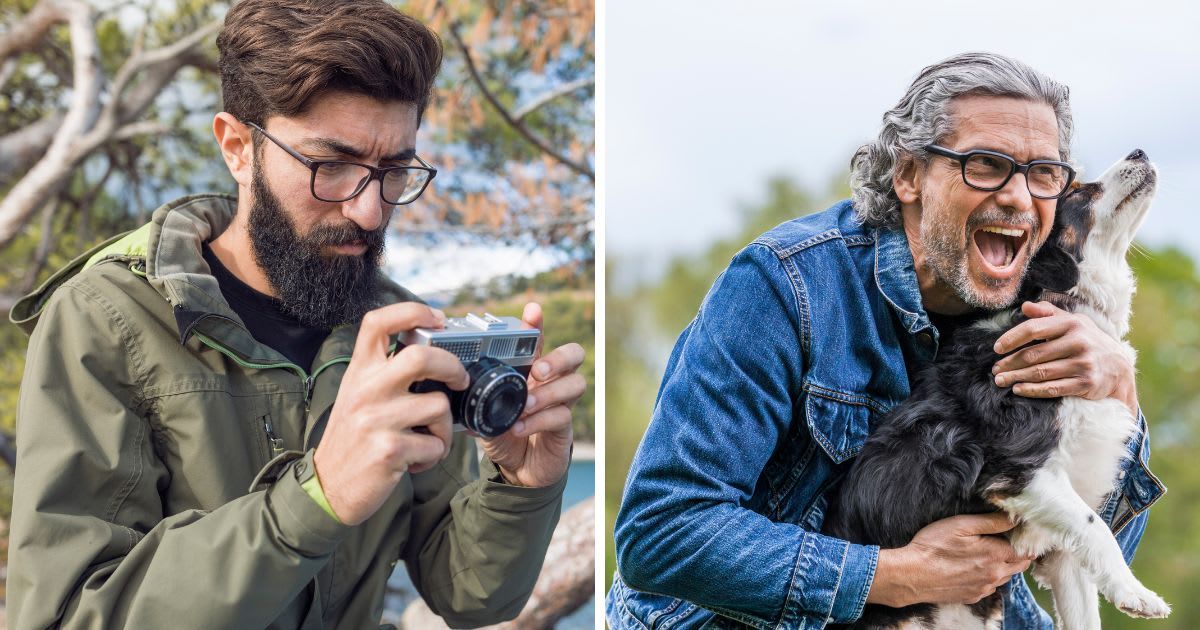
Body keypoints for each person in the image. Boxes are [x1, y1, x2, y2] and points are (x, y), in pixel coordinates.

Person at [6, 1, 586, 627]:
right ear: (237, 147)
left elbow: (468, 593)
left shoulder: (394, 326)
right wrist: (317, 499)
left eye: (393, 171)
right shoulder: (103, 321)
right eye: (331, 166)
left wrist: (520, 487)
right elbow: (65, 615)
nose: (369, 212)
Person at [607, 52, 1164, 629]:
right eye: (986, 164)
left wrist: (1119, 390)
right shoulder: (784, 286)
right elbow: (662, 531)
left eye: (1044, 173)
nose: (1019, 198)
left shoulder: (1047, 303)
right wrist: (895, 575)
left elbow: (1101, 557)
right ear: (908, 175)